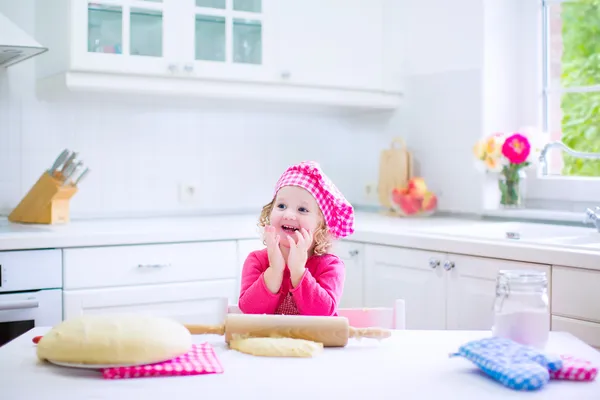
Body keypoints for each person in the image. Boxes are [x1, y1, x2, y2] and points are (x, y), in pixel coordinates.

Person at [238, 161, 355, 316]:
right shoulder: (257, 261)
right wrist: (275, 270)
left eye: (302, 209)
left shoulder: (330, 266)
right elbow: (249, 310)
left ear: (322, 226)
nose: (288, 215)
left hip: (314, 341)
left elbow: (323, 314)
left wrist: (298, 271)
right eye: (281, 206)